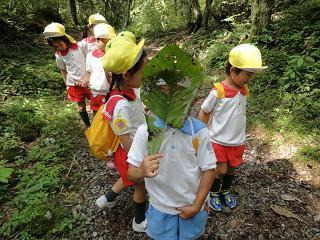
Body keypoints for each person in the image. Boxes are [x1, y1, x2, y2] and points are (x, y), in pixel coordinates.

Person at [126, 79, 217, 239]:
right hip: (160, 207)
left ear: (192, 100)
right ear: (152, 98)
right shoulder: (146, 131)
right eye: (164, 97)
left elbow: (209, 170)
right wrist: (140, 171)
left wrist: (197, 206)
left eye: (180, 98)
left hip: (191, 205)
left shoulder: (199, 131)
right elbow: (131, 173)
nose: (171, 104)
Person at [198, 44, 267, 211]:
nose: (249, 79)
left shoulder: (244, 90)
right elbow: (204, 111)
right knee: (220, 170)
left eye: (251, 76)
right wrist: (202, 133)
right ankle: (214, 192)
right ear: (233, 70)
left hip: (237, 141)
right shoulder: (218, 91)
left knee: (231, 169)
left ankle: (225, 190)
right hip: (218, 140)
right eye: (247, 75)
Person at [95, 34, 149, 232]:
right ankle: (139, 221)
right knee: (140, 185)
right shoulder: (120, 106)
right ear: (126, 75)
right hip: (131, 151)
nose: (144, 77)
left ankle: (106, 199)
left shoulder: (126, 92)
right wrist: (139, 161)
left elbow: (135, 107)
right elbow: (127, 141)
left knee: (125, 179)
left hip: (129, 148)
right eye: (141, 73)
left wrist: (143, 110)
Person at [43, 23, 91, 127]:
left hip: (88, 81)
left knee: (95, 103)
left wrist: (89, 77)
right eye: (56, 46)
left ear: (65, 39)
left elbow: (90, 59)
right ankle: (88, 126)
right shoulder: (58, 55)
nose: (59, 47)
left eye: (60, 44)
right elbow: (63, 70)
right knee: (81, 107)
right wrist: (67, 85)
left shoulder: (79, 46)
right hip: (74, 84)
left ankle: (98, 125)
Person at [81, 23, 116, 116]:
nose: (108, 44)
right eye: (104, 41)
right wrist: (84, 80)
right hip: (96, 92)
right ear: (97, 40)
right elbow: (88, 72)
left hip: (112, 93)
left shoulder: (115, 56)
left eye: (110, 41)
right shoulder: (90, 55)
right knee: (97, 117)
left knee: (112, 117)